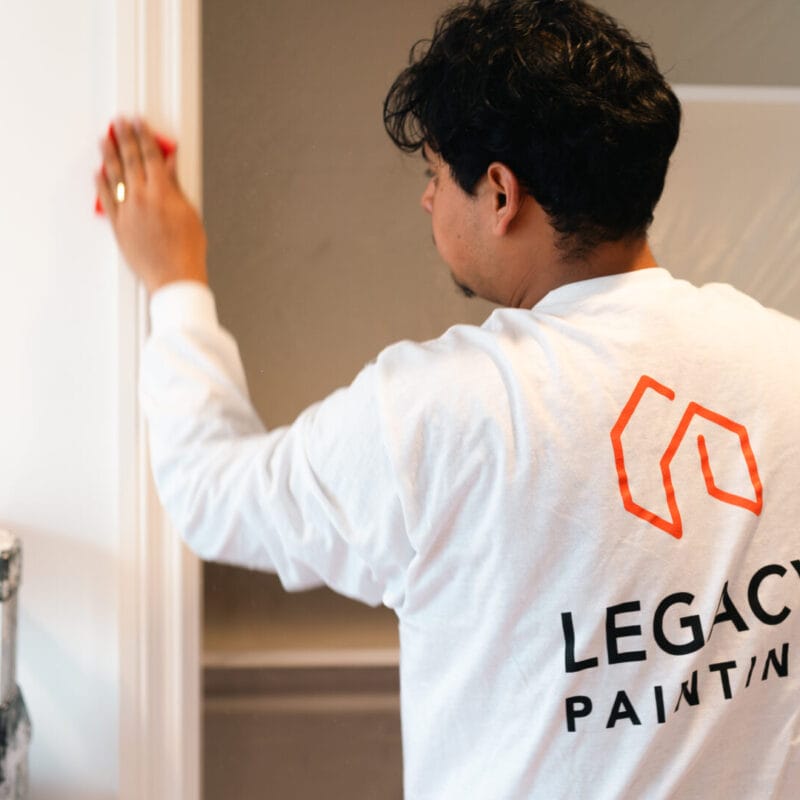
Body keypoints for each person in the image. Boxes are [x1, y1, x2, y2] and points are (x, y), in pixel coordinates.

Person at [95, 0, 800, 797]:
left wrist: (174, 279)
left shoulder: (435, 412)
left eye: (435, 175)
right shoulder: (786, 361)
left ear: (500, 195)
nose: (429, 200)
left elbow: (209, 491)